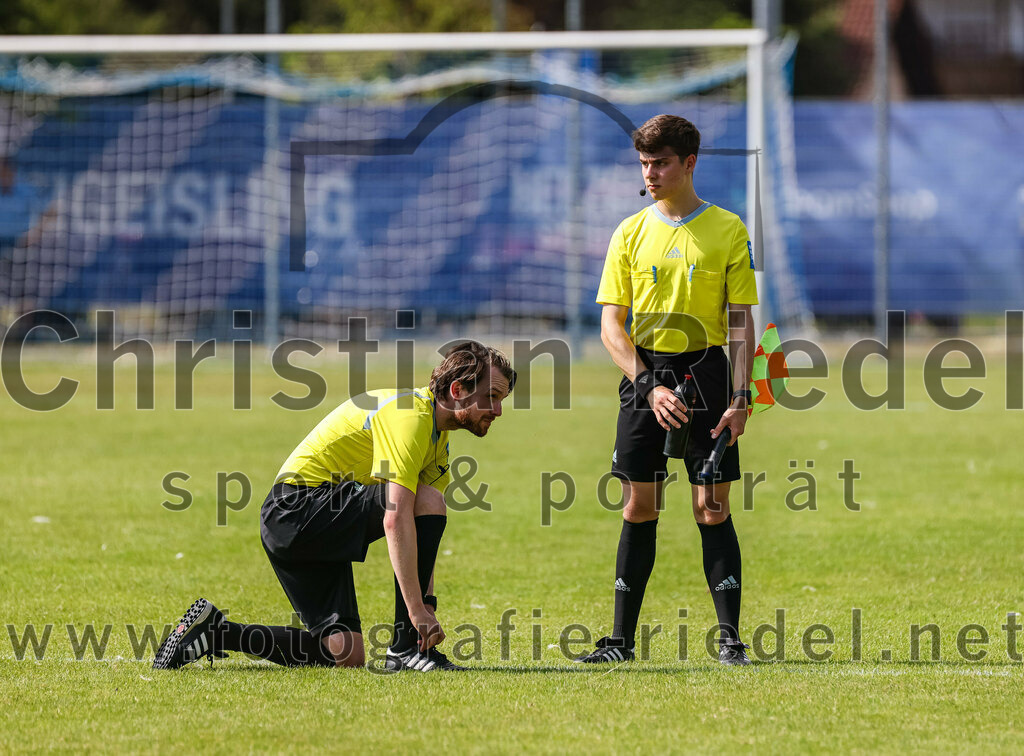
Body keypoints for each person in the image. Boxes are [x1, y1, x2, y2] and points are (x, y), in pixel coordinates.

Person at [153, 341, 515, 672]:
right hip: (296, 508)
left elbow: (423, 530)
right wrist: (416, 611)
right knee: (424, 499)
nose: (498, 411)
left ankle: (216, 633)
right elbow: (396, 517)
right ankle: (405, 651)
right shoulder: (411, 417)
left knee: (344, 654)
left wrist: (427, 603)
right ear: (457, 390)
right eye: (493, 397)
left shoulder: (439, 440)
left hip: (312, 519)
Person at [575, 114, 758, 667]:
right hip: (644, 373)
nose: (650, 173)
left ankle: (730, 642)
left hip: (706, 372)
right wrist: (650, 386)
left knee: (711, 505)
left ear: (689, 163)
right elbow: (612, 326)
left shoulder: (728, 229)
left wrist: (741, 397)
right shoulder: (629, 232)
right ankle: (620, 643)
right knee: (639, 504)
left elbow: (742, 320)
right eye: (644, 164)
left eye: (660, 163)